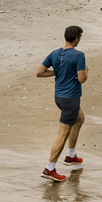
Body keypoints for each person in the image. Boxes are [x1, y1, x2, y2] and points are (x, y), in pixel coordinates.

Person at [36, 25, 88, 182]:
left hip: (58, 97)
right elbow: (81, 79)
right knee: (63, 134)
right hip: (71, 99)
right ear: (77, 38)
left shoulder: (55, 53)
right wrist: (86, 70)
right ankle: (49, 168)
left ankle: (71, 155)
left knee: (79, 119)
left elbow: (39, 72)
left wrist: (57, 72)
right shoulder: (79, 55)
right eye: (80, 37)